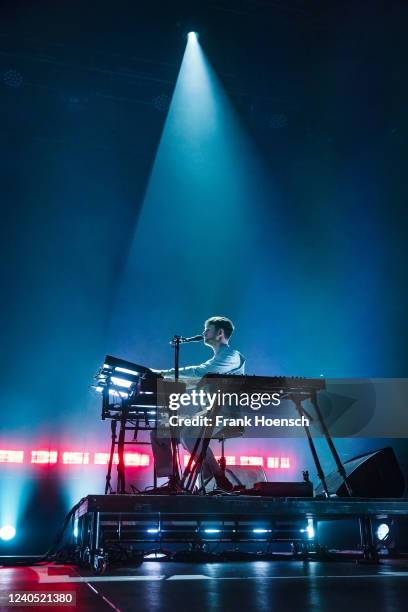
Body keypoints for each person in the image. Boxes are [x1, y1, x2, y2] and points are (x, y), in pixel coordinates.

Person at [151, 316, 245, 491]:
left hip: (225, 415)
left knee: (188, 434)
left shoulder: (232, 356)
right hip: (209, 414)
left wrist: (162, 374)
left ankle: (218, 478)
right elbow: (196, 378)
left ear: (220, 333)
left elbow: (199, 373)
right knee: (159, 433)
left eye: (207, 330)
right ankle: (173, 481)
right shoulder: (217, 358)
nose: (203, 333)